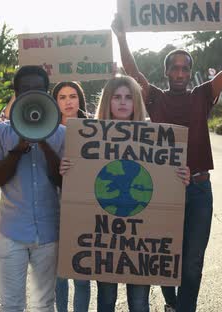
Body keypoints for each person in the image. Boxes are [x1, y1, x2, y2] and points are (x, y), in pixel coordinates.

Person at [111, 12, 222, 311]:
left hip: (200, 190)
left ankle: (183, 308)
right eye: (174, 68)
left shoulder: (203, 96)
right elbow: (133, 71)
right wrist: (121, 36)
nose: (179, 73)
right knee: (165, 257)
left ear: (190, 71)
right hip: (163, 192)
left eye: (184, 68)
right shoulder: (155, 98)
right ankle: (173, 303)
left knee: (192, 262)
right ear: (166, 73)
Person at [59, 76, 190, 312]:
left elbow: (164, 181)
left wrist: (179, 176)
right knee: (106, 300)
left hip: (142, 240)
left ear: (136, 102)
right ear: (107, 101)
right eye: (117, 97)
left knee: (140, 303)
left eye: (129, 97)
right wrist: (68, 169)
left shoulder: (155, 134)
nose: (122, 102)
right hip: (104, 239)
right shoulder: (88, 135)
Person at [0, 65, 65, 312]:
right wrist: (18, 149)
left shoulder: (63, 134)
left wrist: (45, 143)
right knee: (12, 305)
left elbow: (63, 181)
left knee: (44, 303)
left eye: (38, 90)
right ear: (16, 94)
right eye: (26, 90)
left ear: (47, 94)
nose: (32, 94)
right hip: (11, 233)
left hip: (49, 234)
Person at [51, 81, 91, 312]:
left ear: (80, 99)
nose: (68, 101)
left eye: (73, 96)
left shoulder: (95, 128)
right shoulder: (45, 130)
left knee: (82, 274)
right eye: (62, 97)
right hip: (54, 207)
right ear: (55, 102)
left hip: (84, 210)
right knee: (59, 273)